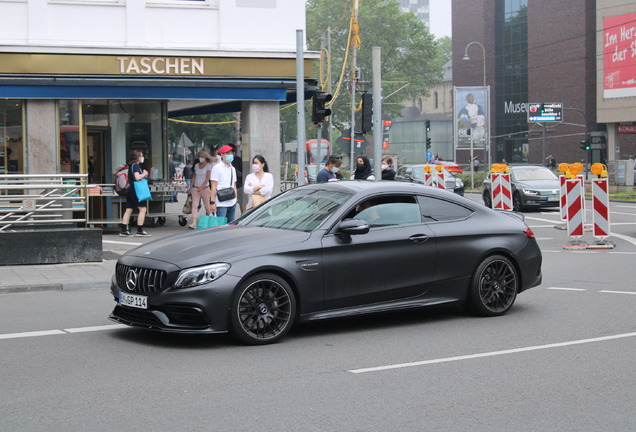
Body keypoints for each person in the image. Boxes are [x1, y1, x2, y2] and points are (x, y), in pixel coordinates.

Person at [120, 149, 151, 237]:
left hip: (130, 190)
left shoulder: (130, 165)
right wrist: (145, 174)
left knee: (129, 209)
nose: (142, 157)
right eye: (141, 155)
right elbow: (137, 177)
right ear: (137, 157)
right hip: (137, 191)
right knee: (142, 209)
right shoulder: (136, 166)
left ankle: (123, 230)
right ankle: (139, 230)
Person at [210, 144, 238, 221]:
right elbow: (213, 186)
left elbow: (234, 185)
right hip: (221, 203)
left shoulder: (232, 168)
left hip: (232, 202)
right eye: (228, 153)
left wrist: (235, 199)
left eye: (231, 153)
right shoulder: (217, 168)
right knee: (221, 226)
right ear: (222, 155)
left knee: (231, 227)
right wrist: (212, 202)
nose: (230, 155)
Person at [188, 151, 213, 229]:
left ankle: (209, 220)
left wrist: (201, 187)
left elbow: (207, 178)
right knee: (194, 206)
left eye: (201, 156)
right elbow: (194, 176)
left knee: (207, 206)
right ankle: (194, 222)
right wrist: (191, 187)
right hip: (196, 188)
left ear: (205, 157)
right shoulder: (196, 165)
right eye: (199, 156)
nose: (200, 158)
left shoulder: (208, 166)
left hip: (205, 189)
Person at [228, 143, 244, 212]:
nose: (230, 153)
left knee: (241, 203)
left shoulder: (239, 160)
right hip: (228, 187)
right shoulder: (225, 161)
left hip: (238, 185)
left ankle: (243, 216)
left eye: (232, 151)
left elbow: (243, 173)